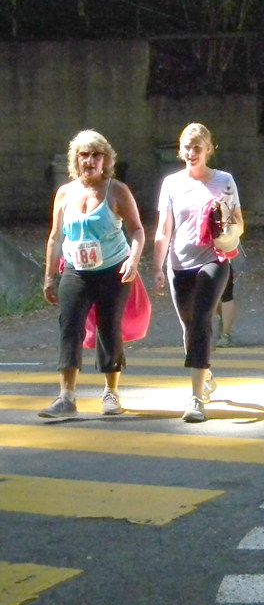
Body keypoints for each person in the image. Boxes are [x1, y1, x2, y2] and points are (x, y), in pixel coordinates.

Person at [38, 130, 145, 418]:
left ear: (106, 160)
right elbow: (54, 237)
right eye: (84, 155)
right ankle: (66, 397)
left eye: (96, 155)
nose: (90, 160)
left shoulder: (117, 190)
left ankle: (111, 393)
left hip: (113, 270)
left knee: (109, 328)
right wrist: (50, 277)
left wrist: (133, 261)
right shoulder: (65, 193)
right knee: (69, 327)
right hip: (75, 270)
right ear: (76, 159)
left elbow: (136, 230)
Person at [153, 122, 243, 423]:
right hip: (179, 263)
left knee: (203, 317)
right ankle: (204, 371)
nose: (192, 153)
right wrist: (157, 267)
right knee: (190, 326)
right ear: (182, 151)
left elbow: (238, 225)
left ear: (208, 149)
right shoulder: (172, 184)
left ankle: (194, 399)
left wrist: (225, 224)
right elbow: (164, 230)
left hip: (213, 259)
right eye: (187, 148)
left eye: (197, 148)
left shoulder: (224, 181)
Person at [216, 264, 236, 347]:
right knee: (226, 295)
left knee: (212, 294)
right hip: (220, 259)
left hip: (195, 260)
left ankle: (225, 330)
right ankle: (226, 335)